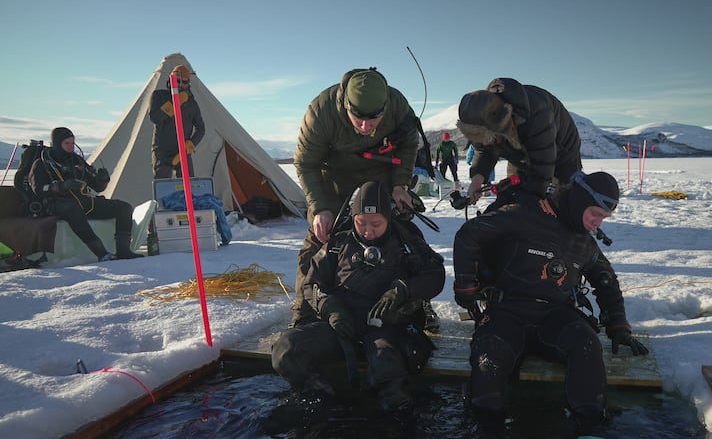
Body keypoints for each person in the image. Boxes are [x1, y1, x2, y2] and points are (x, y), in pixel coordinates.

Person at [452, 171, 648, 438]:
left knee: (586, 343)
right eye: (595, 213)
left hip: (555, 315)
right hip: (507, 311)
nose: (597, 222)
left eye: (603, 217)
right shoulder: (523, 214)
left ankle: (590, 427)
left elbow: (605, 280)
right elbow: (468, 235)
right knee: (489, 359)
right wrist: (466, 288)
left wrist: (618, 324)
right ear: (580, 202)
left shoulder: (584, 243)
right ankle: (487, 427)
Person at [271, 181, 445, 426]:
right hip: (342, 325)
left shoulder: (406, 243)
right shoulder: (337, 245)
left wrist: (403, 290)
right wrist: (331, 309)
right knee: (285, 349)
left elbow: (435, 274)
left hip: (387, 327)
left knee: (387, 364)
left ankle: (396, 422)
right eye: (361, 223)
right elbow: (312, 283)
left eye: (376, 224)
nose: (368, 231)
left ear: (388, 218)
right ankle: (324, 405)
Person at [292, 67, 443, 330]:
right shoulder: (320, 113)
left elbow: (409, 146)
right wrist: (321, 208)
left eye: (373, 119)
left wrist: (400, 185)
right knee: (318, 240)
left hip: (381, 170)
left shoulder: (398, 106)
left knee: (401, 233)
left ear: (385, 107)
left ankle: (416, 301)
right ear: (345, 105)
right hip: (334, 176)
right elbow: (305, 163)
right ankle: (304, 312)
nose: (365, 126)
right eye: (358, 118)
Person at [457, 77, 581, 206]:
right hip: (518, 153)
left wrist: (527, 202)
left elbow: (542, 168)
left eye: (489, 138)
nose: (486, 143)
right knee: (512, 193)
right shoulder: (482, 116)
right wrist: (477, 180)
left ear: (502, 125)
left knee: (561, 201)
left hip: (562, 154)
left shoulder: (538, 114)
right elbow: (484, 150)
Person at [28, 127, 144, 262]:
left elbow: (97, 187)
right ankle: (102, 253)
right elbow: (39, 189)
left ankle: (123, 250)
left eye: (72, 143)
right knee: (72, 208)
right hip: (57, 203)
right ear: (57, 144)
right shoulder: (42, 164)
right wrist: (61, 187)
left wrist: (102, 180)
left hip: (83, 202)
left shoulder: (77, 161)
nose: (71, 147)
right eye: (67, 143)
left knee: (124, 207)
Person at [149, 64, 205, 179]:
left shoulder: (191, 104)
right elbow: (155, 118)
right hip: (162, 152)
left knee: (189, 186)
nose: (180, 84)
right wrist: (174, 104)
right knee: (163, 189)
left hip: (182, 153)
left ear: (188, 83)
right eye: (177, 80)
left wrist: (190, 144)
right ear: (171, 80)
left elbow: (201, 128)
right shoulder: (159, 96)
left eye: (184, 82)